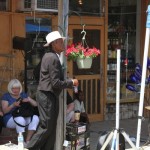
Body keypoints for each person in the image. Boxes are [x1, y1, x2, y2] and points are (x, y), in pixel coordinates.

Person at [26, 31, 78, 150]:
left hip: (49, 95)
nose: (63, 44)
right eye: (61, 41)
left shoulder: (51, 56)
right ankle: (28, 148)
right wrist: (71, 82)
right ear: (54, 44)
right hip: (46, 95)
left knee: (51, 128)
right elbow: (55, 83)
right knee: (46, 127)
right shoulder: (52, 57)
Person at [1, 79, 39, 143]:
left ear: (20, 88)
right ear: (10, 88)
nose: (16, 90)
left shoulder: (23, 94)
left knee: (35, 118)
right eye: (13, 88)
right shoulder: (6, 96)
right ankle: (21, 142)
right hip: (10, 119)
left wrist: (29, 100)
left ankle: (27, 140)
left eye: (17, 88)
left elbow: (36, 104)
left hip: (23, 116)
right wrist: (13, 105)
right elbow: (5, 111)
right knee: (20, 119)